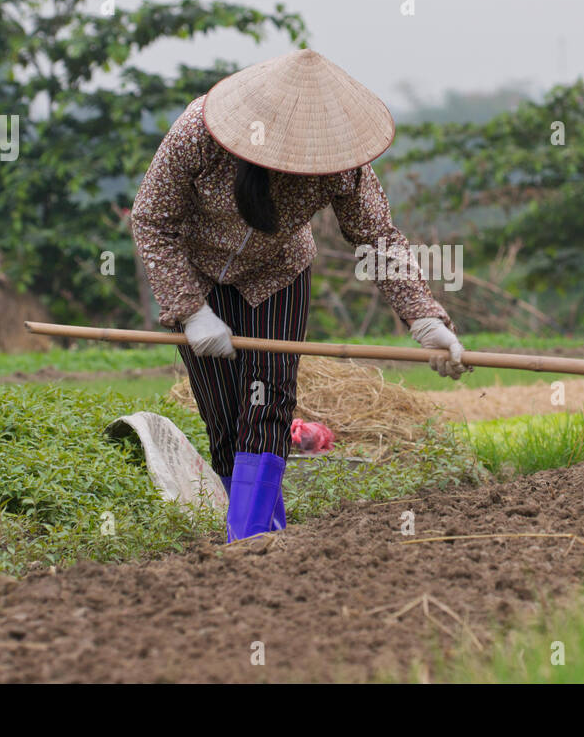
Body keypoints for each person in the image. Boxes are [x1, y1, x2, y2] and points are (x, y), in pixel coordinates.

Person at [130, 49, 466, 542]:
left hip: (277, 276)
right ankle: (266, 529)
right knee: (223, 416)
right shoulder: (196, 135)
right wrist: (191, 310)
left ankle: (245, 542)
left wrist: (424, 319)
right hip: (197, 275)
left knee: (266, 404)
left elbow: (376, 237)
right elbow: (151, 220)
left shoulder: (339, 161)